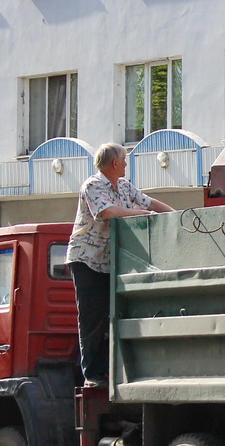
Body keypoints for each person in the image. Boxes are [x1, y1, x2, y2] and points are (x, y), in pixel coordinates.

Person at [66, 143, 175, 388]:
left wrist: (176, 215)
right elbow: (107, 212)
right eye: (124, 160)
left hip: (111, 261)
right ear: (114, 163)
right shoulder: (92, 185)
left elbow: (148, 202)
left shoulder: (124, 186)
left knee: (114, 315)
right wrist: (141, 215)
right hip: (87, 260)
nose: (126, 164)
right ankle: (92, 375)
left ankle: (112, 370)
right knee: (92, 317)